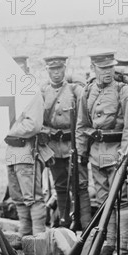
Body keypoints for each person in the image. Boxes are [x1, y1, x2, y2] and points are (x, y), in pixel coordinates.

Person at [76, 51, 128, 255]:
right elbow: (81, 125)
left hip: (117, 155)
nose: (107, 72)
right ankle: (110, 242)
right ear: (93, 69)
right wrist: (81, 152)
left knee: (121, 201)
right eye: (102, 68)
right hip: (97, 154)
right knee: (104, 200)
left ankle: (121, 250)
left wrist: (126, 155)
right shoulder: (87, 92)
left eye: (110, 68)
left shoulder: (125, 92)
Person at [5, 55, 52, 236]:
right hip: (11, 152)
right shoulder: (10, 95)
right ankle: (25, 233)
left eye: (20, 70)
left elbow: (32, 125)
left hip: (26, 151)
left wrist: (6, 130)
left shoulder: (31, 93)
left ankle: (38, 235)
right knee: (17, 197)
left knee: (32, 197)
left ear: (26, 72)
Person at [40, 55, 89, 228]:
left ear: (64, 69)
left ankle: (84, 224)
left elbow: (85, 118)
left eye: (59, 69)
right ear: (47, 71)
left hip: (72, 145)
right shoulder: (43, 92)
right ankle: (64, 223)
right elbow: (39, 121)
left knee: (79, 186)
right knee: (60, 186)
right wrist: (46, 132)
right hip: (53, 147)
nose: (56, 73)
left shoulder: (75, 90)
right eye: (52, 70)